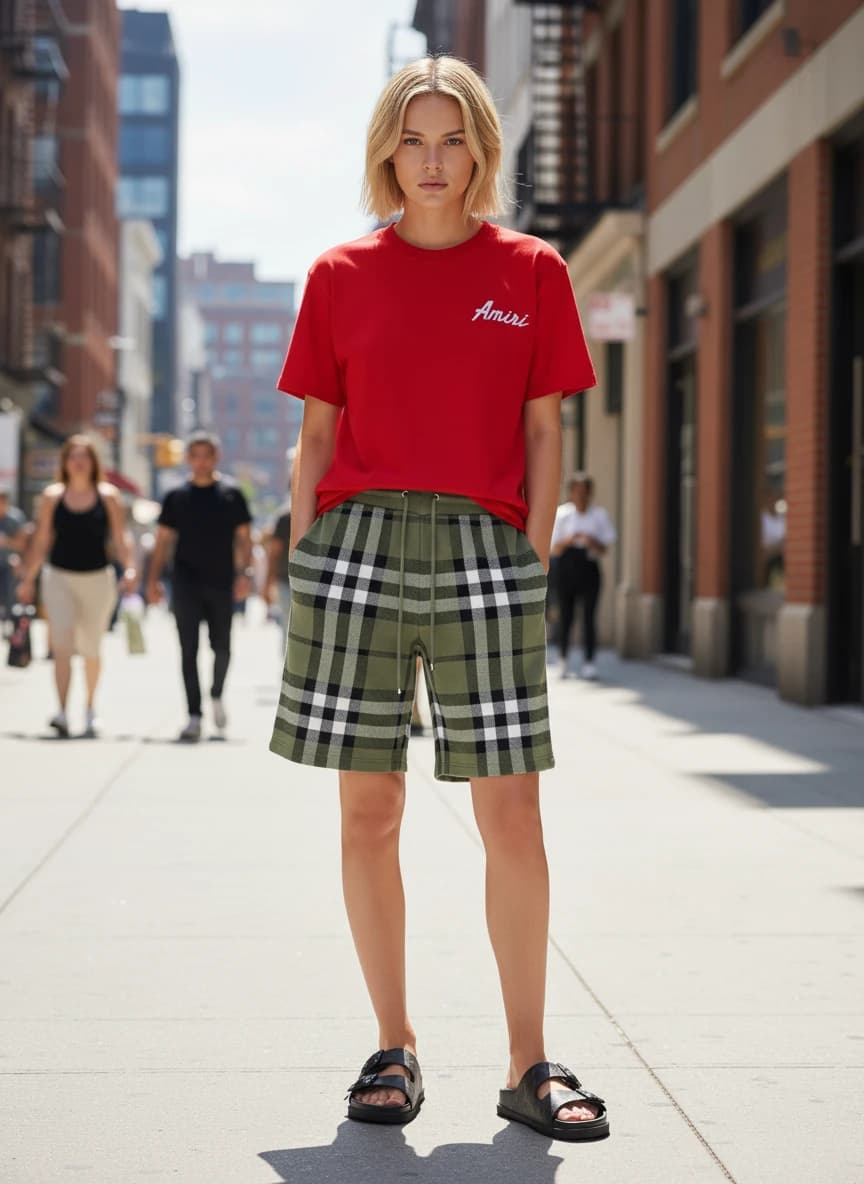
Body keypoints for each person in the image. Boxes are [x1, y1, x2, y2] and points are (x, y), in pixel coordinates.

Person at [269, 57, 608, 1141]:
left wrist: (529, 558)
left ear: (479, 152)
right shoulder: (338, 273)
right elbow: (316, 432)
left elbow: (547, 429)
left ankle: (528, 1060)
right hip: (357, 546)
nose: (431, 160)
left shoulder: (533, 269)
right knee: (369, 809)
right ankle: (394, 1043)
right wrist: (305, 561)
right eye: (412, 139)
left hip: (484, 548)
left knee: (513, 811)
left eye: (451, 139)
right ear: (387, 151)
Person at [16, 435, 136, 737]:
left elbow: (120, 537)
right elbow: (42, 539)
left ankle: (91, 708)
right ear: (65, 462)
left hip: (98, 579)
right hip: (58, 577)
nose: (79, 462)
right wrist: (28, 578)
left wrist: (130, 568)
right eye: (73, 456)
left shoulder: (108, 496)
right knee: (62, 645)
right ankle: (61, 711)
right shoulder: (52, 496)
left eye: (85, 456)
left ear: (94, 462)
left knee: (91, 647)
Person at [146, 431, 252, 741]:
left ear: (216, 457)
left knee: (222, 648)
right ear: (188, 459)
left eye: (207, 455)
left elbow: (244, 538)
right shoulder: (176, 497)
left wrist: (244, 574)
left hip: (221, 581)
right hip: (185, 582)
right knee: (188, 650)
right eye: (196, 456)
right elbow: (162, 541)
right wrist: (152, 580)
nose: (202, 461)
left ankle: (216, 695)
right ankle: (194, 715)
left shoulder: (232, 494)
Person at [550, 473, 616, 681]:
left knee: (589, 617)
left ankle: (589, 662)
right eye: (577, 491)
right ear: (571, 492)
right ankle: (563, 660)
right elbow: (553, 548)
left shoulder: (599, 515)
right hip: (565, 569)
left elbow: (605, 548)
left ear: (590, 493)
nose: (580, 495)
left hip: (589, 569)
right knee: (566, 616)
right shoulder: (562, 514)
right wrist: (570, 540)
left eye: (584, 491)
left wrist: (590, 540)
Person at [266, 500, 292, 651]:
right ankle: (286, 660)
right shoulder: (285, 519)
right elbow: (274, 553)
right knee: (287, 623)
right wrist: (268, 583)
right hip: (285, 580)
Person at [0, 486, 27, 623]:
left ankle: (11, 623)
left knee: (10, 598)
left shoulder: (16, 518)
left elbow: (23, 544)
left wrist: (6, 541)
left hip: (10, 564)